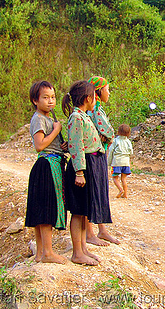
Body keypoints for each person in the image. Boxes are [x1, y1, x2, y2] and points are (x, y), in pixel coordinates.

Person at [62, 80, 109, 266]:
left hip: (88, 166)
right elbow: (77, 146)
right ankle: (77, 252)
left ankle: (83, 248)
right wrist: (79, 172)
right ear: (88, 98)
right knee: (78, 212)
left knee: (83, 213)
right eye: (94, 96)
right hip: (81, 169)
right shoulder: (76, 118)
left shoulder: (84, 116)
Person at [25, 80, 68, 264]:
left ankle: (40, 253)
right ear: (35, 100)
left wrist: (62, 145)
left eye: (53, 97)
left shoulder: (48, 118)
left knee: (41, 208)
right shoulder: (39, 119)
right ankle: (48, 253)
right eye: (45, 98)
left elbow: (50, 143)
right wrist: (57, 130)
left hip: (52, 163)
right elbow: (39, 145)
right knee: (46, 209)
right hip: (47, 166)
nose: (50, 101)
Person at [85, 76, 120, 246]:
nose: (109, 93)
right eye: (107, 89)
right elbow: (107, 131)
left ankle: (101, 230)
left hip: (97, 154)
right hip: (94, 156)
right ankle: (92, 233)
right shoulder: (95, 111)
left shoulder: (94, 109)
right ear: (98, 91)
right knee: (94, 192)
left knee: (98, 192)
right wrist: (110, 136)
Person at [108, 124, 133, 198]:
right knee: (124, 178)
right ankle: (125, 194)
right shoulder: (128, 141)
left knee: (115, 177)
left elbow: (111, 151)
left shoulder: (115, 141)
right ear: (128, 133)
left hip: (116, 162)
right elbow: (131, 152)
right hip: (126, 162)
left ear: (118, 132)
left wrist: (109, 162)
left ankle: (120, 190)